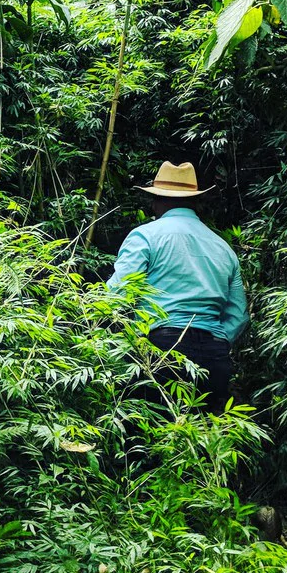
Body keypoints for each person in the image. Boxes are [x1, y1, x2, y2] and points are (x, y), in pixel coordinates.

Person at [106, 161, 247, 413]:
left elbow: (118, 294)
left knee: (151, 434)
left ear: (157, 201)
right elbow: (238, 316)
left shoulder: (145, 236)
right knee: (205, 437)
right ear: (195, 202)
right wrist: (217, 342)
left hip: (161, 347)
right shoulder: (224, 248)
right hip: (214, 354)